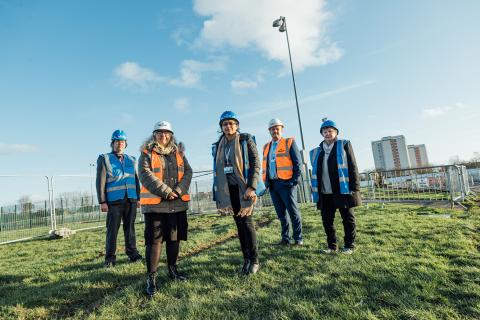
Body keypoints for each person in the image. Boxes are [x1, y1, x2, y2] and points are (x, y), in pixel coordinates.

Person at [138, 121, 192, 298]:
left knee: (174, 239)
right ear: (154, 135)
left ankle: (173, 269)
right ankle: (151, 278)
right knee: (154, 242)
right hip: (155, 206)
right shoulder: (146, 153)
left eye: (167, 133)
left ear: (171, 135)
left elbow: (188, 173)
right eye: (160, 133)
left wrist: (177, 191)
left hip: (176, 204)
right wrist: (166, 191)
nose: (164, 136)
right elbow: (145, 175)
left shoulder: (179, 153)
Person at [212, 111, 261, 275]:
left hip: (244, 188)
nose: (228, 126)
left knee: (247, 223)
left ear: (237, 125)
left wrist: (252, 187)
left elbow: (255, 164)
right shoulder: (219, 144)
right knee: (239, 225)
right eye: (225, 124)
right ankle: (246, 259)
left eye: (231, 123)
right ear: (221, 127)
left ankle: (254, 260)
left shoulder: (245, 140)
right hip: (228, 190)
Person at [309, 119, 361, 254]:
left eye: (330, 131)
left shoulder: (344, 145)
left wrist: (354, 187)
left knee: (348, 218)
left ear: (336, 132)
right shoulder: (316, 151)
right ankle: (332, 246)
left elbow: (352, 165)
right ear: (322, 134)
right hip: (325, 192)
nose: (327, 134)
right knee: (327, 221)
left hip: (343, 190)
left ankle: (349, 245)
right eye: (324, 132)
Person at [96, 129, 143, 268]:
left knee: (130, 229)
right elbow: (100, 181)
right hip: (114, 202)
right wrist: (102, 201)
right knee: (112, 231)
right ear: (112, 143)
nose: (120, 144)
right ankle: (110, 259)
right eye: (117, 142)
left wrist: (138, 197)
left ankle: (133, 254)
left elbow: (135, 179)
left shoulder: (132, 159)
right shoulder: (104, 158)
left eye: (122, 142)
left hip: (131, 199)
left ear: (125, 144)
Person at [262, 118, 303, 246]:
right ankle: (285, 239)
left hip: (287, 184)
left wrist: (293, 181)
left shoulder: (289, 142)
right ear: (269, 131)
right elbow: (266, 166)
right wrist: (266, 183)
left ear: (281, 129)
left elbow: (298, 163)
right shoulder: (266, 146)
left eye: (277, 128)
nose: (275, 130)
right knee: (281, 214)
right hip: (273, 185)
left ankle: (298, 239)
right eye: (272, 128)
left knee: (293, 212)